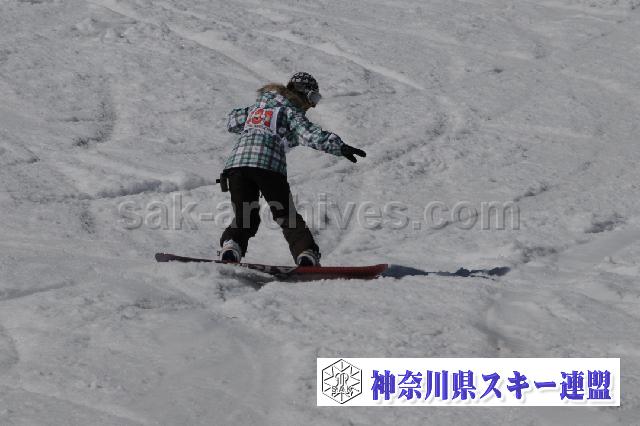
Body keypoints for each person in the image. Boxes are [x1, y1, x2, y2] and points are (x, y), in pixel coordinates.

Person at [219, 72, 366, 266]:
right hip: (268, 166)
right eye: (314, 98)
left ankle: (231, 247)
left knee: (245, 216)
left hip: (237, 167)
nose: (312, 105)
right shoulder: (290, 111)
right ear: (304, 93)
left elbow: (232, 121)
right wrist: (340, 147)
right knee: (286, 216)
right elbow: (310, 134)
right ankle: (306, 254)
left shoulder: (256, 107)